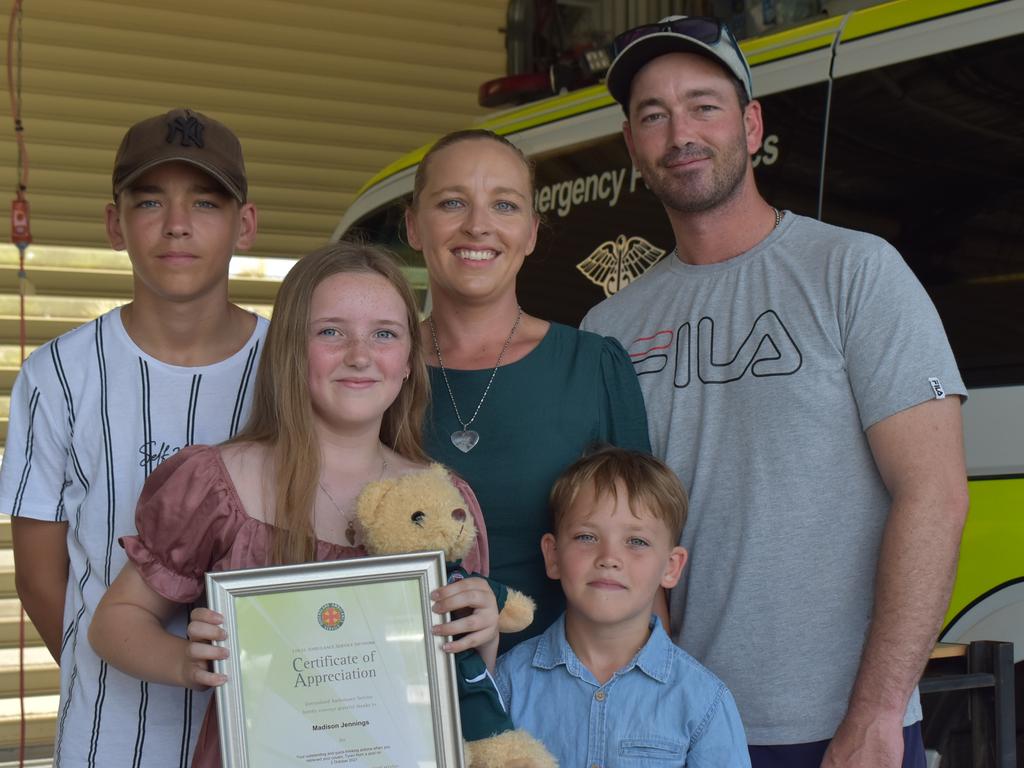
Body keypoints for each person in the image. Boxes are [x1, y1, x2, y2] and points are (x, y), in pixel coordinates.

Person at [580, 16, 969, 768]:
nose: (679, 133)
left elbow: (936, 494)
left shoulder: (854, 272)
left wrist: (880, 711)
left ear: (752, 126)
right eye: (652, 116)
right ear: (632, 148)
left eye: (704, 106)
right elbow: (620, 533)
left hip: (838, 728)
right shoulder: (611, 325)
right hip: (674, 726)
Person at [88, 242, 498, 768]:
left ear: (406, 365)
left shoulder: (443, 502)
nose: (359, 353)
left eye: (385, 333)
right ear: (290, 349)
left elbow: (460, 680)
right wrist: (186, 662)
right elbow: (113, 623)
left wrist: (482, 635)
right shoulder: (219, 483)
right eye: (330, 331)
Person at [0, 108, 265, 767]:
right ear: (115, 224)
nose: (177, 224)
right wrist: (119, 672)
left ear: (246, 225)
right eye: (150, 201)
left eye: (206, 202)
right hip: (108, 739)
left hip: (265, 727)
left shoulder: (291, 367)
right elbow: (39, 575)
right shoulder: (57, 373)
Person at [405, 129, 651, 651]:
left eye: (504, 205)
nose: (478, 225)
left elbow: (641, 558)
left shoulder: (592, 366)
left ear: (532, 232)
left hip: (565, 702)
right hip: (400, 699)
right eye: (452, 202)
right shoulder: (377, 371)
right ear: (413, 225)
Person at [495, 446, 750, 766]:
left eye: (637, 541)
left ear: (671, 567)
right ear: (553, 555)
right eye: (587, 537)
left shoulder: (703, 702)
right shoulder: (507, 685)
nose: (609, 558)